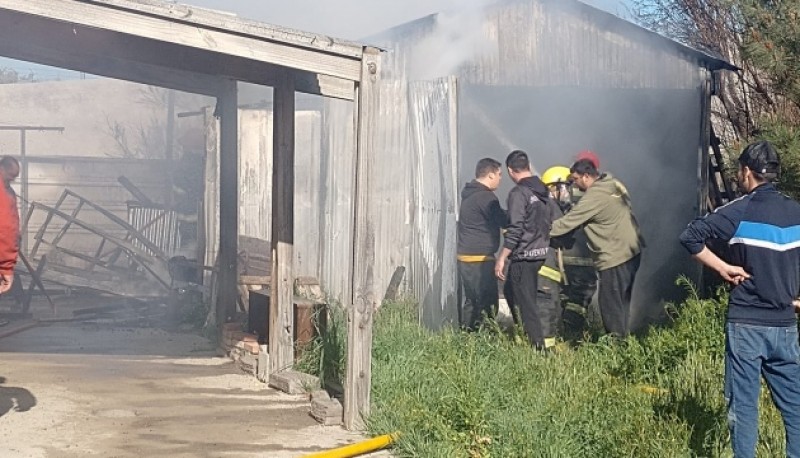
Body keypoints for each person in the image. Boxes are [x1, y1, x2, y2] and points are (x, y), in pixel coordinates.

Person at [679, 140, 800, 457]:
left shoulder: (739, 210)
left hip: (746, 324)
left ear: (746, 171)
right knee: (796, 407)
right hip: (785, 325)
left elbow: (690, 237)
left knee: (744, 407)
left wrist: (723, 268)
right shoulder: (795, 212)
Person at [550, 159, 642, 337]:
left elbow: (568, 222)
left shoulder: (594, 196)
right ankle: (623, 340)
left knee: (610, 304)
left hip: (615, 256)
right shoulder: (613, 184)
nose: (574, 184)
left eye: (576, 179)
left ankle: (616, 346)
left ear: (586, 176)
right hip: (631, 251)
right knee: (621, 302)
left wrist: (539, 231)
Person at [495, 150, 558, 349]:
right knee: (518, 295)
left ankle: (537, 348)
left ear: (510, 171)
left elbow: (516, 228)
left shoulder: (518, 193)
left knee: (526, 304)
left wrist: (502, 257)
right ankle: (531, 338)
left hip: (523, 256)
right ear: (529, 166)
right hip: (541, 253)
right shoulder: (543, 191)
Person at [542, 165, 598, 338]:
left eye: (551, 188)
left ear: (561, 186)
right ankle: (571, 334)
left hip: (576, 261)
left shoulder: (576, 201)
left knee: (573, 299)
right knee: (574, 300)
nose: (549, 193)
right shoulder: (561, 203)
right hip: (572, 262)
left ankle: (569, 333)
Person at [457, 158, 507, 330]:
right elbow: (503, 219)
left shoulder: (470, 194)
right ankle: (483, 338)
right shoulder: (486, 197)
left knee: (472, 301)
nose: (501, 179)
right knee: (486, 303)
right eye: (499, 175)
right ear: (491, 174)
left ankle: (467, 336)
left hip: (467, 258)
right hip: (480, 259)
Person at [0, 156, 19, 295]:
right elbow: (6, 229)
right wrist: (7, 268)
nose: (12, 180)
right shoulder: (5, 194)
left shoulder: (9, 192)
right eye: (11, 176)